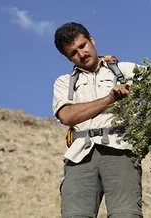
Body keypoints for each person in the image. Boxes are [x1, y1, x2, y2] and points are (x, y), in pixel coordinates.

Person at [52, 22, 143, 218]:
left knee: (126, 214)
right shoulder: (64, 82)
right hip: (80, 156)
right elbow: (67, 116)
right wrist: (110, 99)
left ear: (92, 40)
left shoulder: (124, 69)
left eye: (82, 46)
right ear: (67, 57)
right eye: (73, 53)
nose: (81, 54)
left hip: (121, 150)